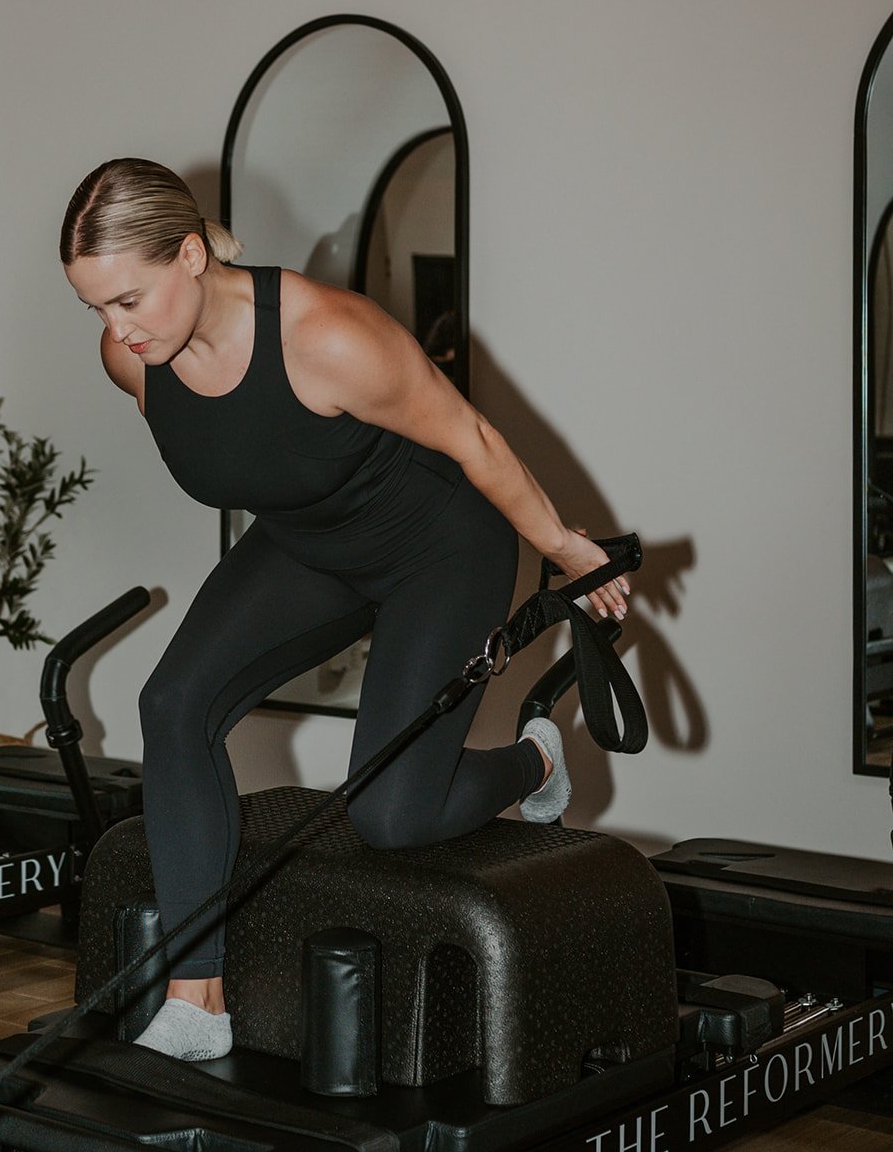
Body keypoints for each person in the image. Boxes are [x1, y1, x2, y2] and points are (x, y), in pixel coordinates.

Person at [61, 158, 629, 1062]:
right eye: (95, 308)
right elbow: (262, 453)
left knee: (391, 817)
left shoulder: (328, 335)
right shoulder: (132, 363)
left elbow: (473, 438)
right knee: (172, 704)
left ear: (192, 254)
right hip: (308, 545)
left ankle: (533, 760)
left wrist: (562, 547)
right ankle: (196, 999)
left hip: (438, 550)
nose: (115, 330)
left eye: (128, 299)